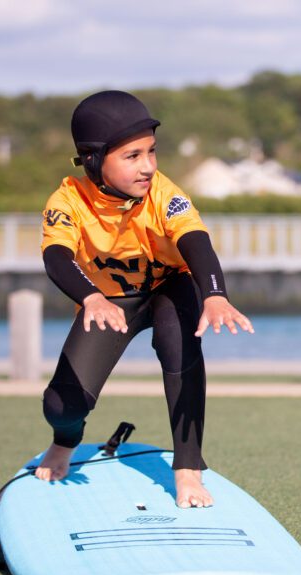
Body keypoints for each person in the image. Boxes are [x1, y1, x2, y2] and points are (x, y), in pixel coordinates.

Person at [35, 90, 253, 508]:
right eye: (132, 156)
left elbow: (195, 241)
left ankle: (188, 469)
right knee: (60, 405)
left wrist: (214, 295)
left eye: (151, 152)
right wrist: (91, 297)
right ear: (95, 159)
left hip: (170, 290)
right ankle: (65, 441)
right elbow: (56, 257)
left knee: (180, 343)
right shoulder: (68, 201)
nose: (149, 166)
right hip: (109, 303)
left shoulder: (163, 194)